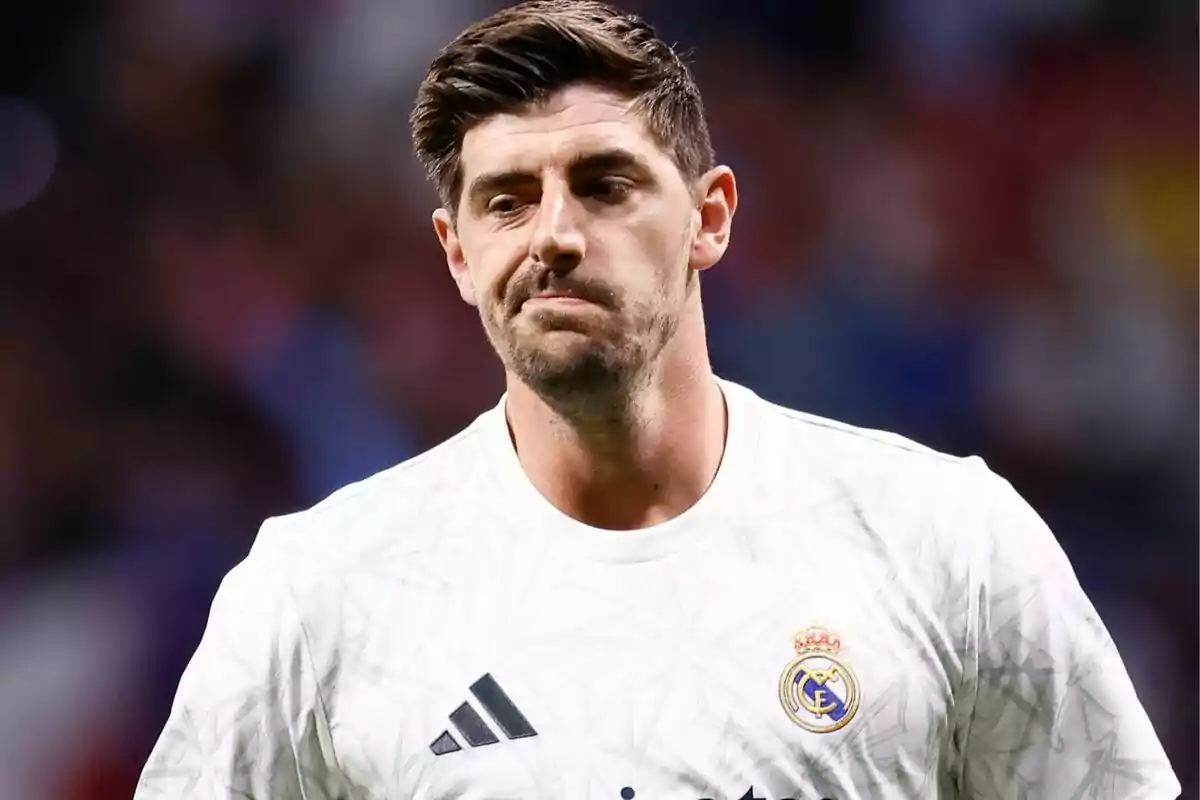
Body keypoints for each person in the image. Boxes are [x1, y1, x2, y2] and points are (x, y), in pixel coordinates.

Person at [133, 2, 1180, 798]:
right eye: (505, 200)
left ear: (711, 216)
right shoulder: (316, 591)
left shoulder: (949, 538)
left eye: (605, 183)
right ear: (456, 255)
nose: (553, 235)